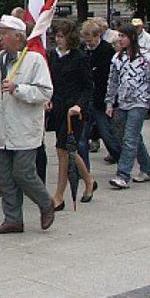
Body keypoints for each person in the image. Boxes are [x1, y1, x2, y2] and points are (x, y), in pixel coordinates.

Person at [0, 14, 55, 234]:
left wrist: (18, 89)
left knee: (23, 173)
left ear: (18, 37)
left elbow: (45, 92)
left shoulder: (34, 60)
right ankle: (12, 218)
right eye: (0, 33)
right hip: (1, 129)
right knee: (5, 177)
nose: (0, 38)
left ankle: (46, 202)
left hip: (24, 128)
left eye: (4, 34)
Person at [47, 20, 96, 209]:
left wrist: (79, 106)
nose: (58, 40)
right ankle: (89, 180)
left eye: (62, 36)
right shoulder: (52, 56)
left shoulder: (80, 57)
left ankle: (59, 196)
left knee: (63, 150)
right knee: (69, 150)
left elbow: (87, 86)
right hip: (58, 109)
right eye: (57, 36)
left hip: (74, 112)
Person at [105, 24, 150, 190]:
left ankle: (123, 175)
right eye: (119, 36)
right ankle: (147, 168)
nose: (120, 39)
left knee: (130, 138)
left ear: (132, 38)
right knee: (127, 135)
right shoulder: (117, 58)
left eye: (123, 36)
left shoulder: (146, 58)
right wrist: (109, 102)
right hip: (123, 102)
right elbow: (112, 81)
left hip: (140, 102)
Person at [79, 20, 119, 167]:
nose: (87, 43)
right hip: (86, 97)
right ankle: (84, 167)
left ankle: (119, 155)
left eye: (90, 40)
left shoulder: (107, 50)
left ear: (97, 36)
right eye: (85, 39)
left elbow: (107, 76)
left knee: (106, 131)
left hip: (100, 98)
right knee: (82, 135)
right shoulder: (83, 49)